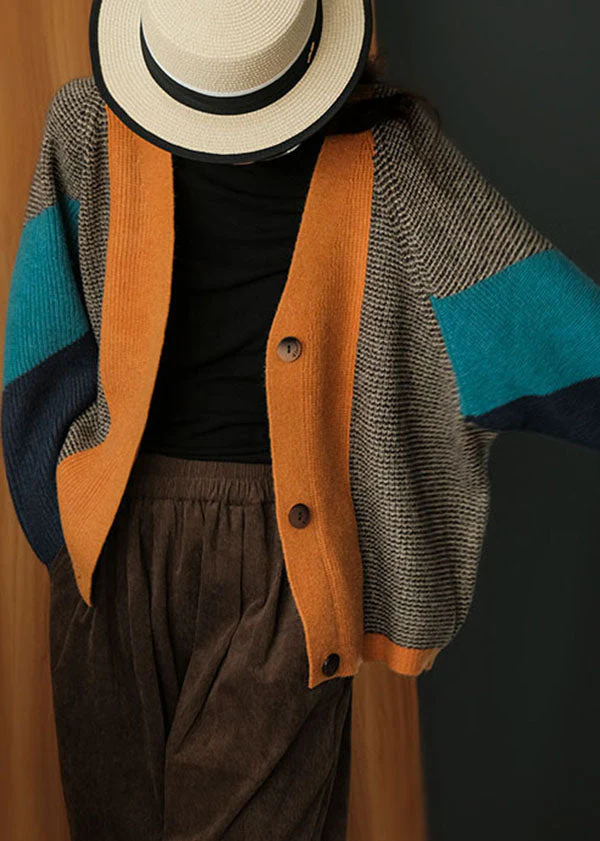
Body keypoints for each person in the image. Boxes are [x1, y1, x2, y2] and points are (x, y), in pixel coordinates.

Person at [3, 1, 600, 839]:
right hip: (113, 544)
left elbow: (552, 332)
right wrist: (67, 528)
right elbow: (39, 352)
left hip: (288, 561)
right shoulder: (86, 129)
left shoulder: (389, 163)